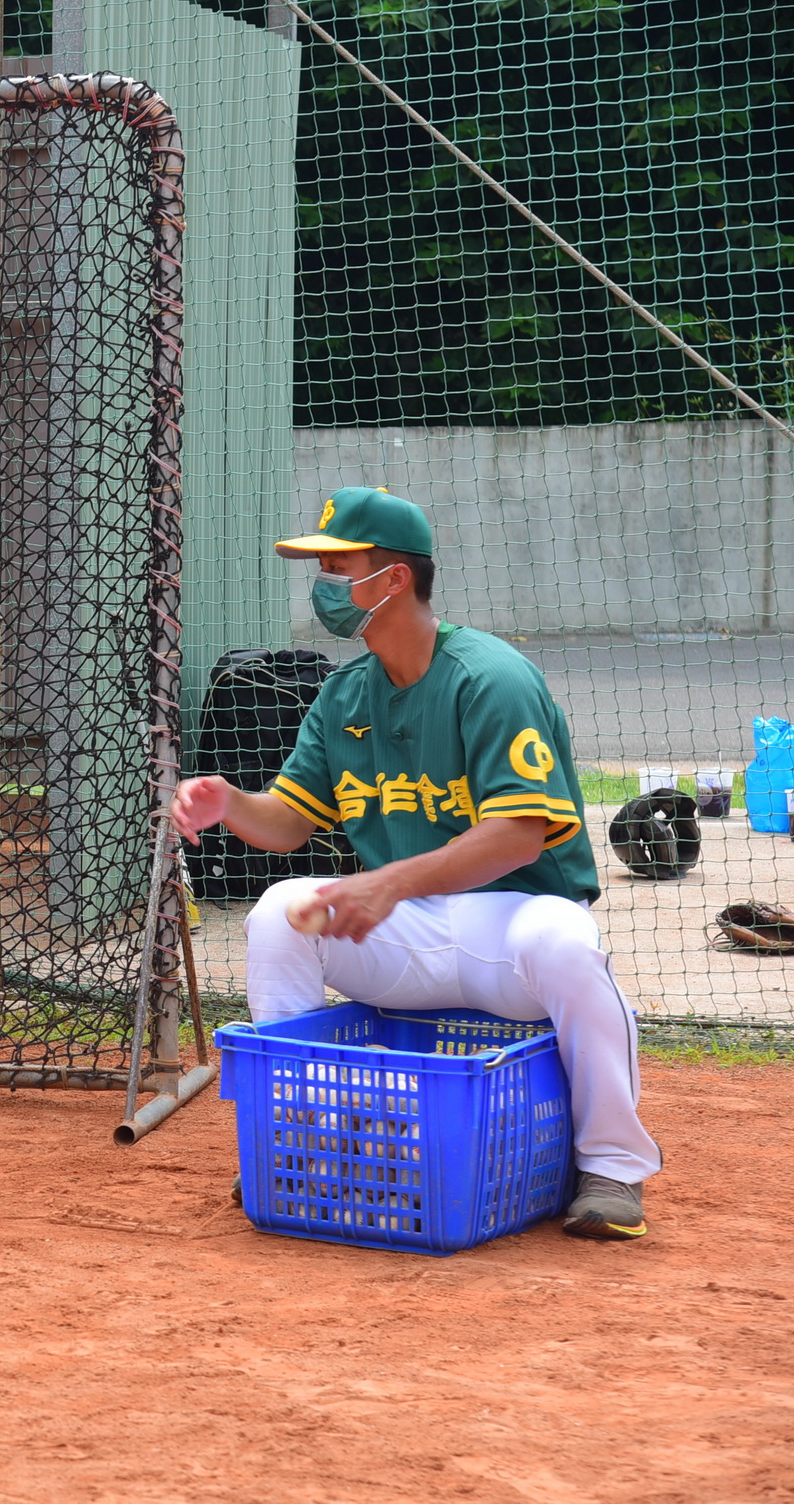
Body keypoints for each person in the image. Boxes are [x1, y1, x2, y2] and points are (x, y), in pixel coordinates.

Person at [172, 485, 659, 1241]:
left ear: (394, 578)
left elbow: (519, 836)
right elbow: (290, 822)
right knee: (278, 915)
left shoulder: (489, 677)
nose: (323, 583)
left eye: (338, 564)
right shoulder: (344, 693)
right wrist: (230, 801)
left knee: (569, 946)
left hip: (514, 927)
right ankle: (309, 1143)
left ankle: (612, 1168)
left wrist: (388, 882)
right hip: (406, 930)